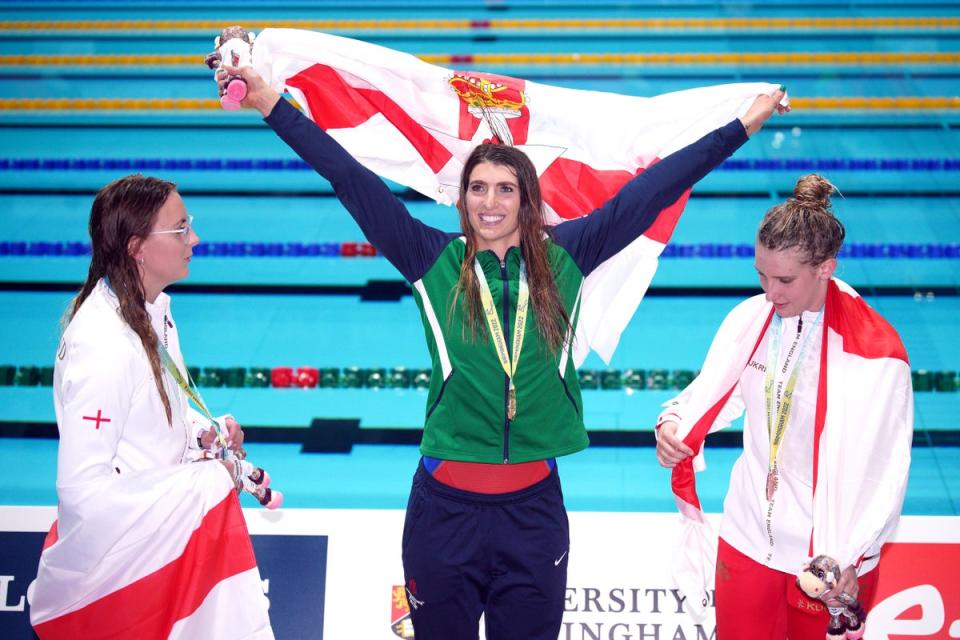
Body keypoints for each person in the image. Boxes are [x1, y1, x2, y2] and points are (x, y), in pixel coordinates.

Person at [220, 64, 784, 639]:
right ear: (462, 198)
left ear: (527, 200)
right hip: (444, 516)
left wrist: (740, 125)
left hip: (533, 515)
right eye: (478, 188)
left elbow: (656, 187)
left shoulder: (568, 255)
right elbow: (346, 175)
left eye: (505, 189)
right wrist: (270, 102)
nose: (491, 202)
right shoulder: (429, 259)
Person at [655, 175, 913, 639]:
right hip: (748, 536)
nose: (770, 292)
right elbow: (717, 391)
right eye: (761, 275)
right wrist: (675, 420)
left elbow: (884, 473)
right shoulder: (751, 318)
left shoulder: (873, 354)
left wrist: (851, 554)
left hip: (827, 557)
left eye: (785, 280)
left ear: (826, 269)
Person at [30, 175, 274, 639]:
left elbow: (143, 429)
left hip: (156, 547)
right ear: (138, 246)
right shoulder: (102, 343)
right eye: (180, 229)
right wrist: (203, 482)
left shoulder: (147, 312)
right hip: (122, 577)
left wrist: (202, 433)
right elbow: (84, 496)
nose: (194, 239)